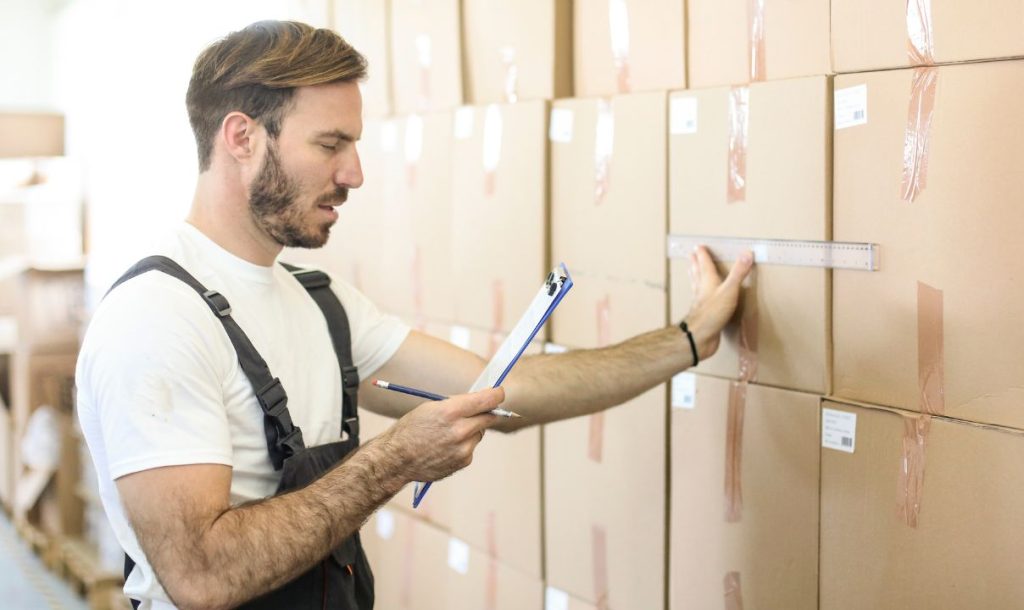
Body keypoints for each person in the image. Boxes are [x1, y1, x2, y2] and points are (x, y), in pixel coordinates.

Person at [75, 20, 754, 610]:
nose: (355, 174)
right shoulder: (157, 320)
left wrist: (690, 337)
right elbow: (202, 574)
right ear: (242, 137)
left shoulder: (320, 305)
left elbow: (509, 388)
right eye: (329, 144)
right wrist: (392, 461)